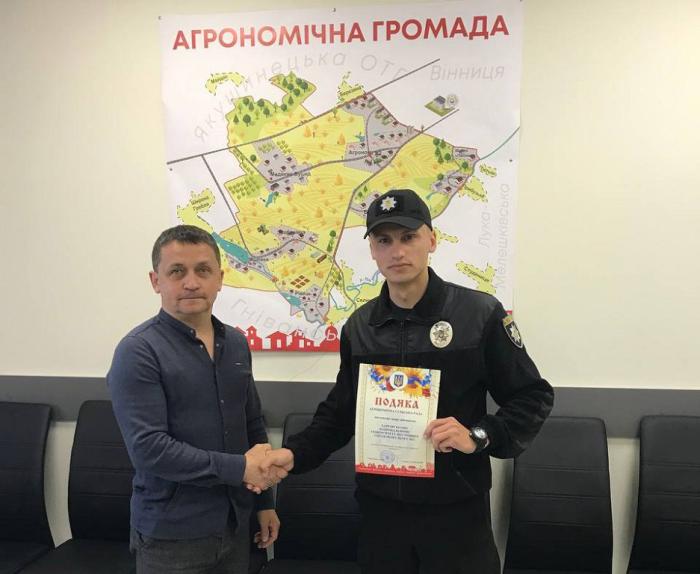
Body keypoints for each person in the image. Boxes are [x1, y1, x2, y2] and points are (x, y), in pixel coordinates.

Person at [269, 189, 554, 573]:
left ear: (431, 240)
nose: (397, 251)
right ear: (372, 250)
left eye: (408, 237)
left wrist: (478, 435)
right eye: (383, 241)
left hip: (457, 511)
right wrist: (293, 454)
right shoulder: (360, 327)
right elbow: (339, 414)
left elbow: (532, 396)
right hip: (382, 514)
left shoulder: (479, 314)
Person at [108, 225, 290, 574]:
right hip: (172, 538)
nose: (191, 282)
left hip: (235, 524)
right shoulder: (138, 351)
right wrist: (240, 469)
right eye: (177, 271)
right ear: (155, 281)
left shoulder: (236, 343)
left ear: (220, 278)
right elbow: (149, 449)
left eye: (203, 270)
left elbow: (251, 423)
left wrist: (264, 502)